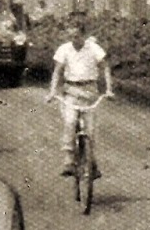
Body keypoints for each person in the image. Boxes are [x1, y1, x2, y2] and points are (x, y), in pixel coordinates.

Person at [47, 20, 111, 176]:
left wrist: (109, 89)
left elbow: (105, 68)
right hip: (71, 91)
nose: (74, 40)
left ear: (83, 35)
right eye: (71, 36)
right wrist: (52, 92)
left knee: (90, 130)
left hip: (90, 91)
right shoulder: (64, 50)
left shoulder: (93, 48)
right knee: (70, 121)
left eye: (77, 36)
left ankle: (92, 164)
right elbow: (58, 72)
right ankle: (69, 159)